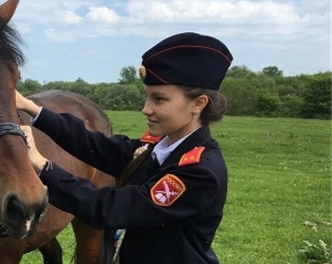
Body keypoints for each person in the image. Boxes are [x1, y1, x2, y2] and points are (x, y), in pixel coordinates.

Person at [16, 32, 233, 264]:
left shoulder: (199, 172)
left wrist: (42, 165)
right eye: (147, 98)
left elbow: (108, 208)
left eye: (159, 100)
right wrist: (30, 108)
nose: (146, 109)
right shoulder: (161, 145)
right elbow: (96, 146)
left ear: (198, 104)